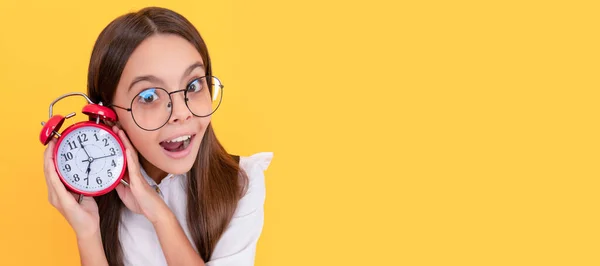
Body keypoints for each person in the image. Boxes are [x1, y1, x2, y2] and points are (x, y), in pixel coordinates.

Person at [41, 6, 273, 266]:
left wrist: (160, 215)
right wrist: (88, 234)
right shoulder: (96, 203)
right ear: (109, 115)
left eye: (193, 85)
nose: (182, 113)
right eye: (149, 96)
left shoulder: (241, 183)